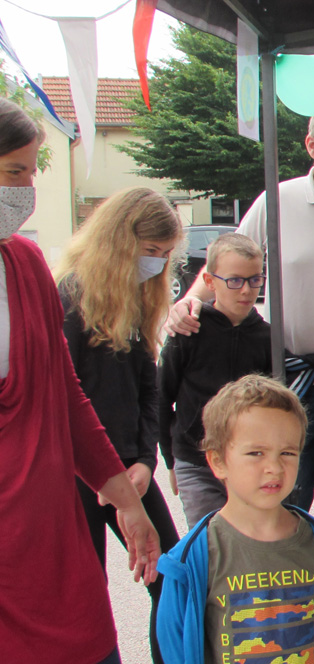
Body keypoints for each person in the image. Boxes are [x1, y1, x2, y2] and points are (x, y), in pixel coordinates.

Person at [167, 100, 314, 664]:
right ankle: (284, 623)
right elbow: (224, 265)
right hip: (284, 391)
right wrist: (188, 302)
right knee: (281, 512)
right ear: (312, 146)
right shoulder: (275, 202)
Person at [0, 98, 160, 663]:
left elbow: (65, 396)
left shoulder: (24, 265)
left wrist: (125, 498)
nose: (26, 190)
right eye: (14, 172)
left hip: (52, 531)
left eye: (31, 170)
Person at [54, 186, 184, 664]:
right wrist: (104, 469)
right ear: (120, 241)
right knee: (87, 589)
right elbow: (67, 398)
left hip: (130, 468)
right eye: (150, 252)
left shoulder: (138, 293)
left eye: (165, 255)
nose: (156, 263)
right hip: (78, 471)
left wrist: (144, 461)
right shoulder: (70, 295)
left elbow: (148, 389)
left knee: (169, 577)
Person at [156, 374, 314, 664]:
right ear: (218, 461)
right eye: (256, 453)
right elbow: (175, 647)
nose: (274, 467)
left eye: (287, 452)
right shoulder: (192, 559)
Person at [159, 233, 271, 527]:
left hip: (249, 463)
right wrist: (171, 460)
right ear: (210, 282)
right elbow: (160, 397)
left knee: (248, 541)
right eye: (234, 280)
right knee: (209, 540)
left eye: (255, 280)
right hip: (195, 460)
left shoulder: (268, 338)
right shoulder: (188, 332)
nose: (246, 290)